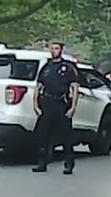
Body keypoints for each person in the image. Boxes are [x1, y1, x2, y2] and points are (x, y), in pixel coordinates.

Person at [32, 40, 79, 175]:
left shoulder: (68, 68)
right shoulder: (46, 67)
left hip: (61, 104)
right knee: (43, 135)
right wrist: (35, 105)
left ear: (62, 50)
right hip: (47, 103)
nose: (53, 51)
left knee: (66, 136)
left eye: (56, 48)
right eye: (52, 48)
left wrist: (73, 107)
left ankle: (68, 163)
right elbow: (38, 86)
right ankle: (42, 162)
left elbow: (74, 88)